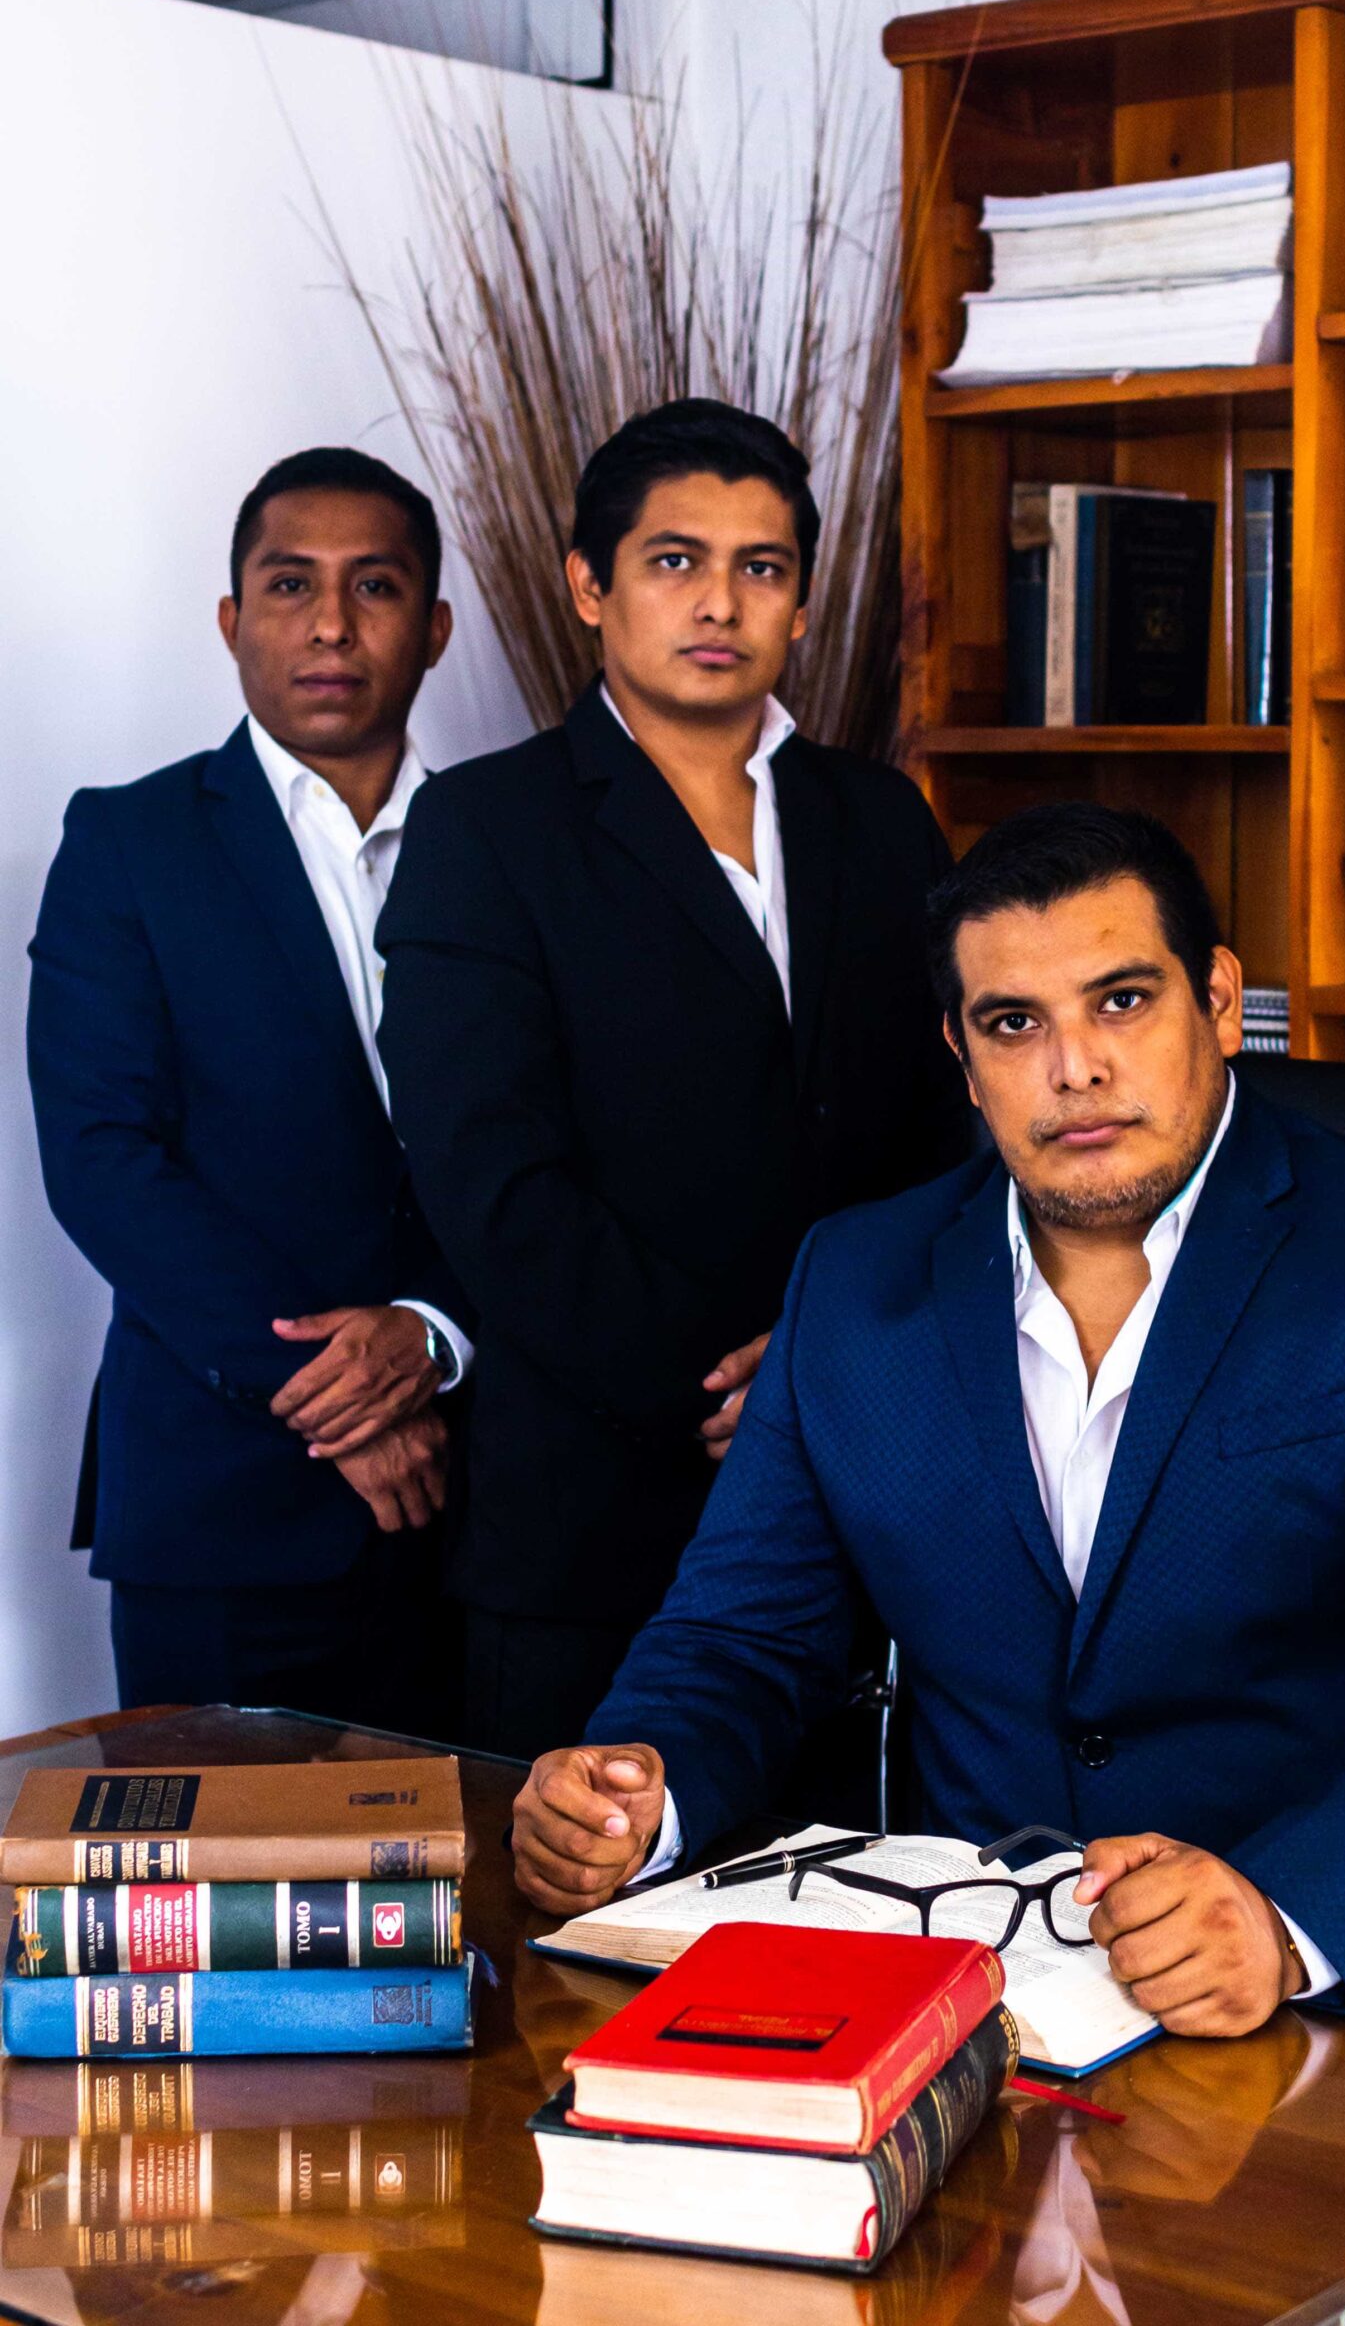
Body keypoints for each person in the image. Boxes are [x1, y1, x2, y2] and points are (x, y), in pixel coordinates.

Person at [509, 803, 1345, 2031]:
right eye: (1014, 1023)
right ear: (961, 1052)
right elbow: (741, 1635)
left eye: (1121, 1001)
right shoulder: (853, 1282)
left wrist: (1290, 1913)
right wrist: (633, 1789)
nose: (1074, 1068)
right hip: (993, 2005)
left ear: (1217, 1000)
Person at [376, 398, 972, 1762]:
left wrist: (826, 1375)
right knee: (585, 1890)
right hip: (594, 1521)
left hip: (870, 1502)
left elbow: (947, 1138)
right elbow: (492, 1183)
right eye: (673, 560)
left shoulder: (881, 818)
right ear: (590, 586)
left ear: (802, 605)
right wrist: (732, 1394)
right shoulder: (488, 826)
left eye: (761, 567)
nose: (720, 602)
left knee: (860, 1882)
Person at [28, 447, 472, 1729]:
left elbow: (563, 1141)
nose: (331, 624)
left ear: (434, 628)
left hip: (485, 1504)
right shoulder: (130, 843)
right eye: (290, 585)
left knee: (494, 1856)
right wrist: (341, 1400)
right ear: (231, 621)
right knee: (209, 1860)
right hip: (218, 1505)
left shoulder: (513, 845)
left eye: (375, 585)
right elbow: (102, 1156)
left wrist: (431, 1334)